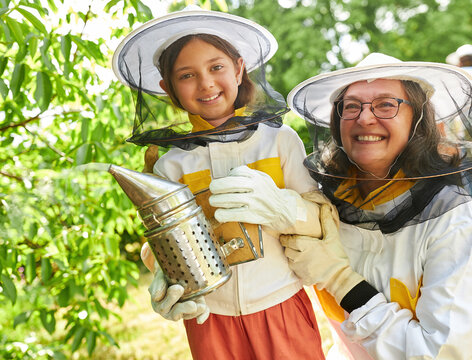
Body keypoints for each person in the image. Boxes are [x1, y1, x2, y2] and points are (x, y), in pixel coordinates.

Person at [112, 6, 326, 360]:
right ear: (168, 88)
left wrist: (284, 208)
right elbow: (163, 242)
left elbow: (319, 219)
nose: (206, 83)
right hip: (210, 318)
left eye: (216, 67)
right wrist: (161, 274)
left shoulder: (279, 139)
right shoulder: (171, 163)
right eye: (187, 75)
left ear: (239, 69)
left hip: (281, 304)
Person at [280, 52, 472, 359]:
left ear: (417, 119)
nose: (364, 117)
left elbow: (439, 353)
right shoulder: (325, 208)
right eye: (351, 106)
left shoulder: (453, 223)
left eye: (386, 104)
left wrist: (341, 281)